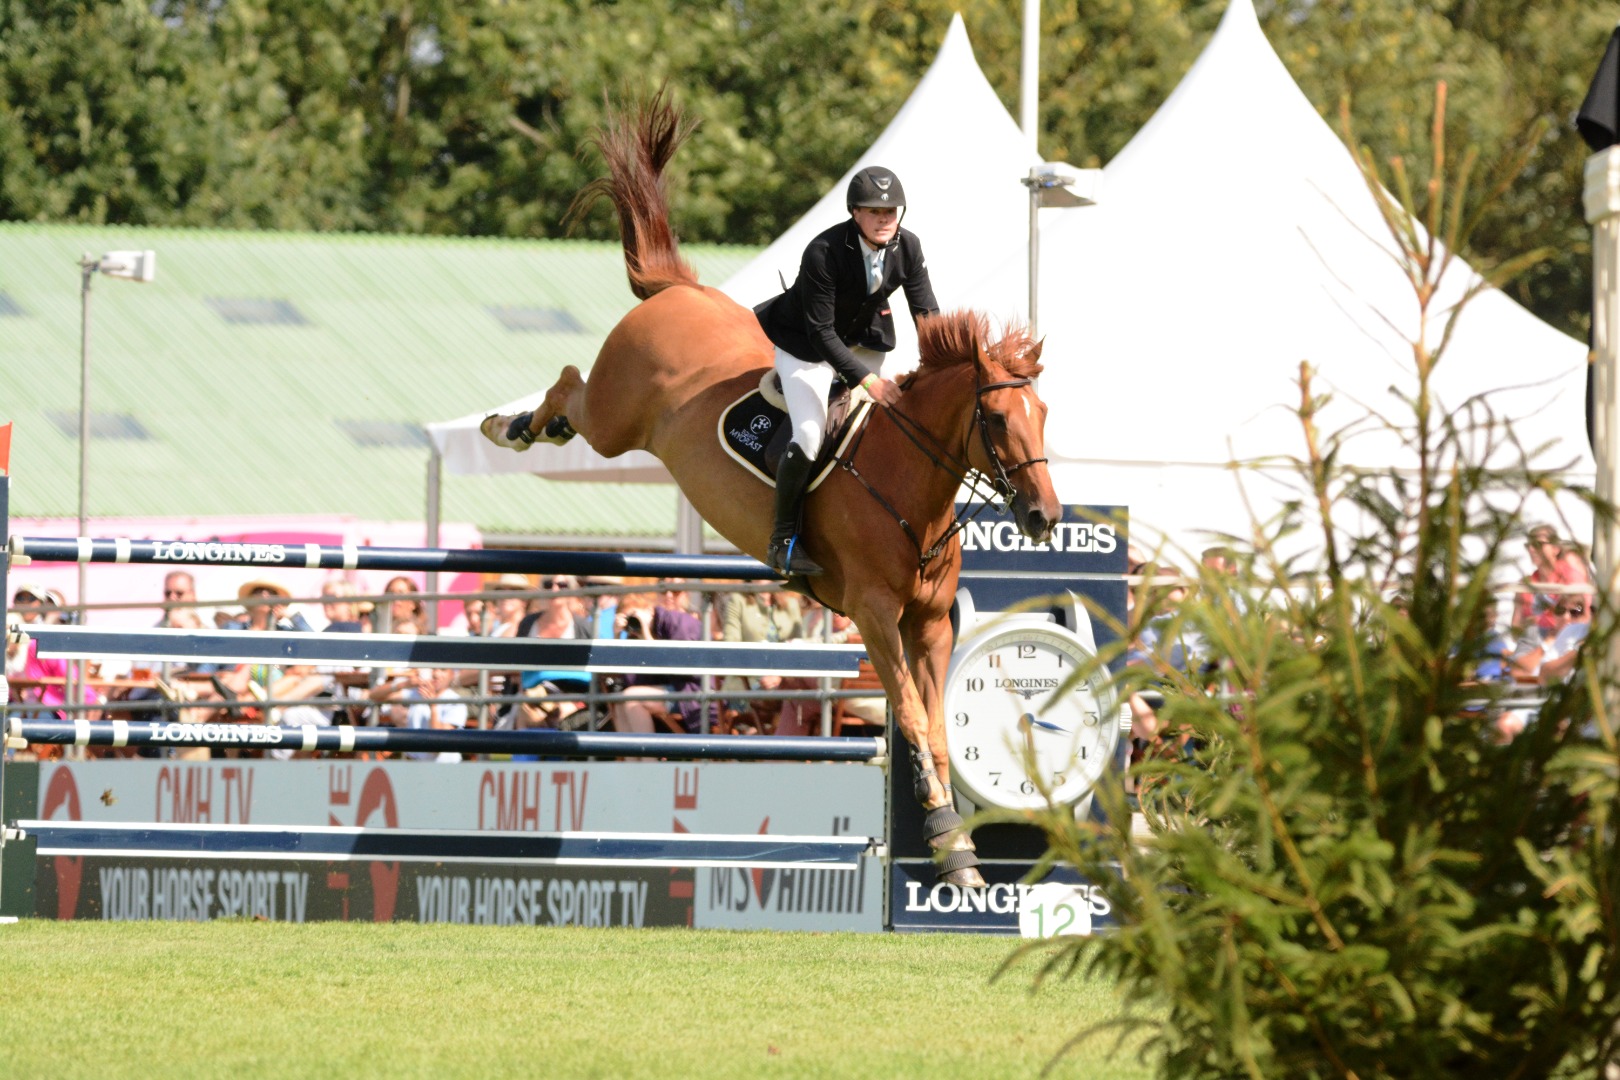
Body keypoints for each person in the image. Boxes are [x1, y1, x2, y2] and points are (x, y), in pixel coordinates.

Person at [753, 165, 939, 574]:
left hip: (862, 339)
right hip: (805, 345)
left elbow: (927, 315)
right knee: (809, 433)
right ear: (855, 212)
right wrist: (867, 381)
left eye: (891, 211)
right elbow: (820, 333)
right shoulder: (824, 251)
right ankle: (782, 539)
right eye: (875, 211)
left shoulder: (908, 247)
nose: (885, 218)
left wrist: (944, 364)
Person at [1514, 526, 1592, 641]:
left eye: (1538, 544)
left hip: (1565, 641)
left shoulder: (1570, 576)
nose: (1531, 549)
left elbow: (1581, 614)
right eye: (1528, 545)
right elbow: (1515, 629)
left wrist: (1540, 622)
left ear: (1555, 549)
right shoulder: (1525, 584)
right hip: (1532, 643)